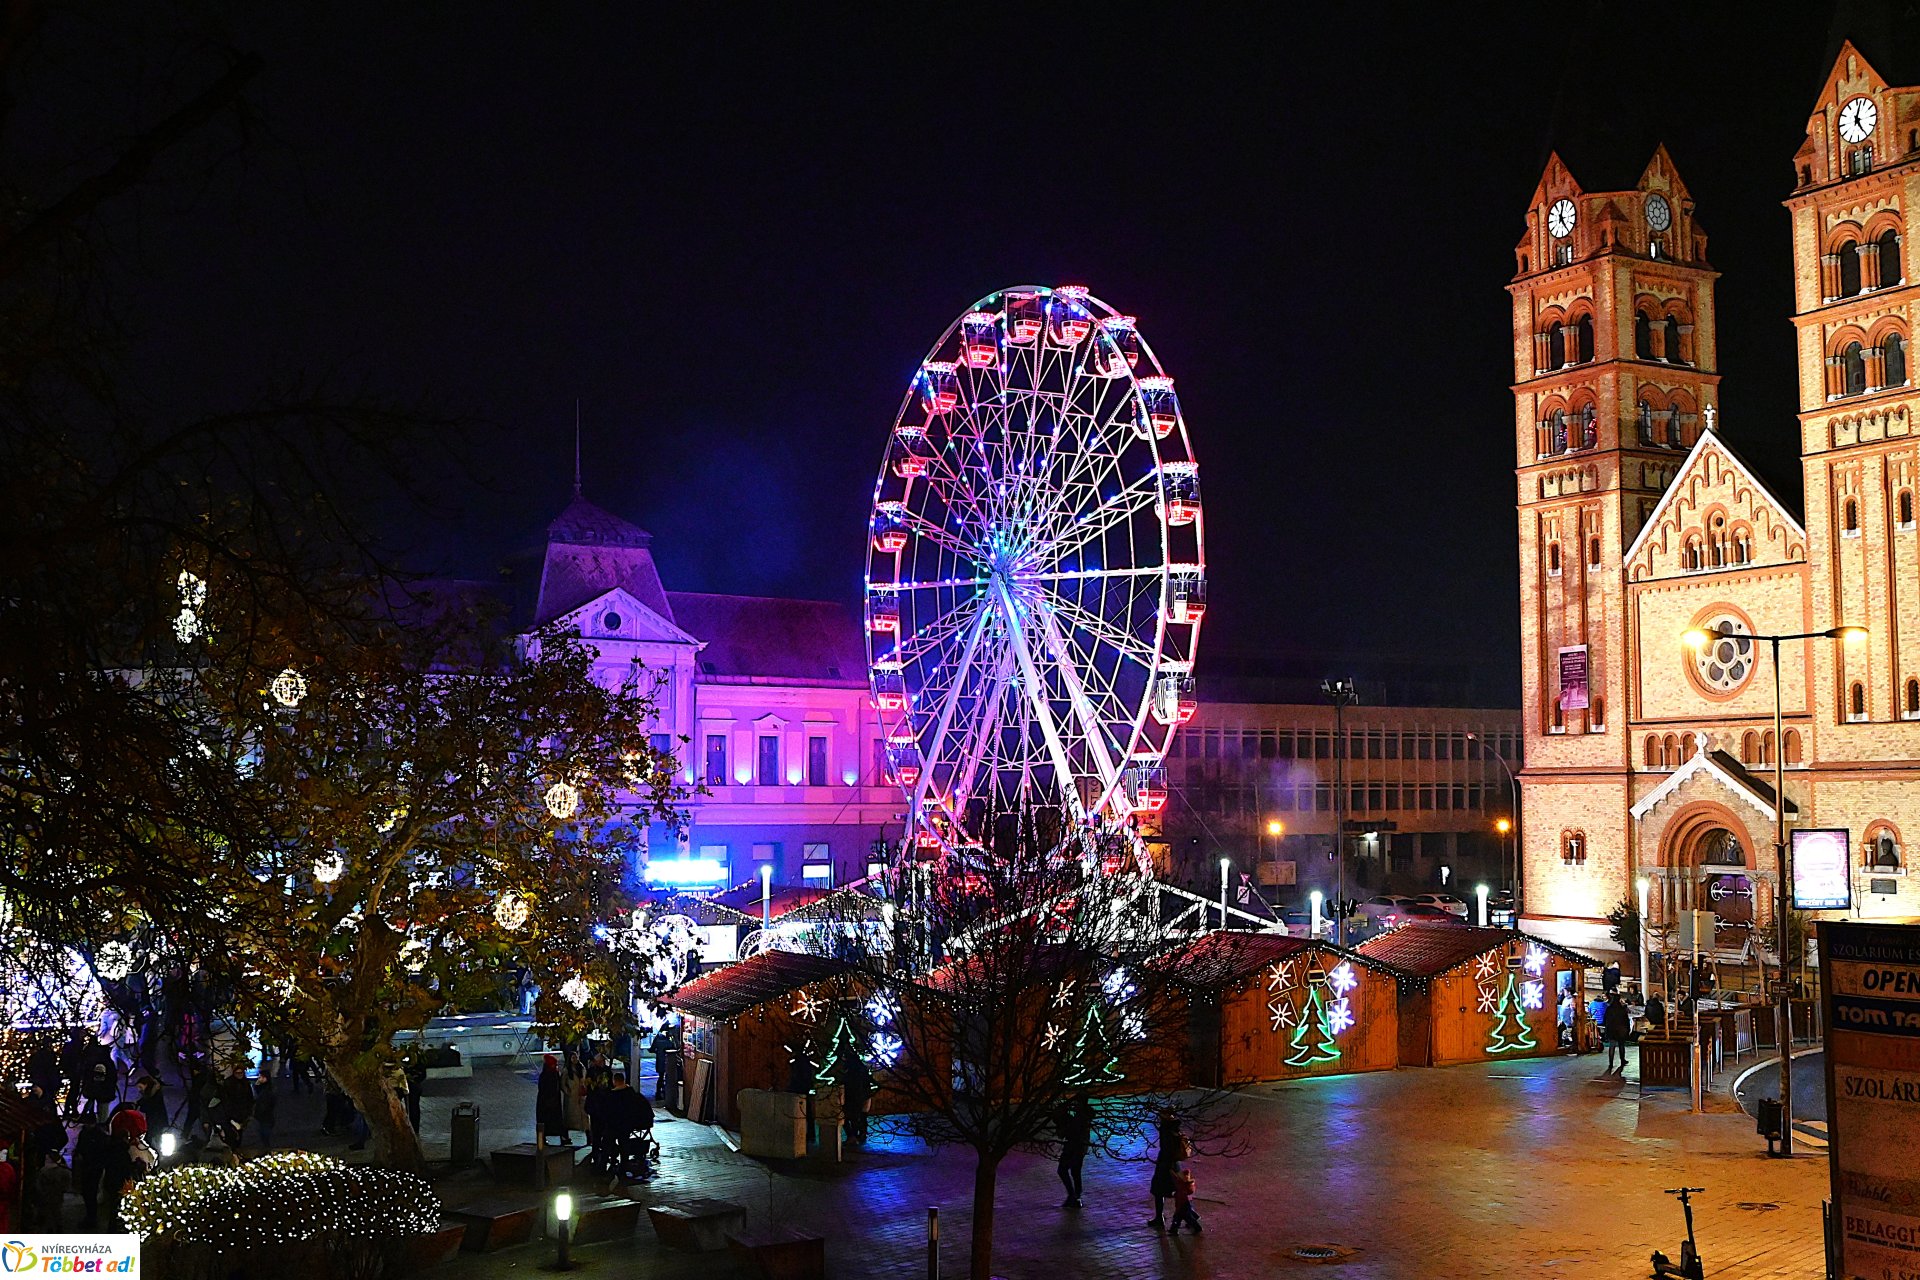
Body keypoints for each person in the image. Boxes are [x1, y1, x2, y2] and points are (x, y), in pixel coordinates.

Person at [1147, 1109, 1184, 1232]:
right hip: (1173, 1165)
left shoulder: (1166, 1130)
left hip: (1165, 1165)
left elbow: (1166, 1149)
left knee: (1159, 1190)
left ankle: (1160, 1218)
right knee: (1177, 1190)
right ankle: (1188, 1215)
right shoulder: (1174, 1128)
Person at [1054, 1092, 1093, 1208]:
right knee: (1075, 1171)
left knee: (1064, 1170)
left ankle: (1073, 1196)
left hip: (1074, 1147)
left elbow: (1066, 1132)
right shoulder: (1083, 1115)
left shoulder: (1079, 1118)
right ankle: (1076, 1196)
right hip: (1079, 1147)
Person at [73, 1121, 112, 1230]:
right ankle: (91, 1217)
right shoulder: (90, 1134)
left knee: (90, 1193)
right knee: (88, 1193)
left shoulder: (97, 1135)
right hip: (89, 1167)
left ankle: (91, 1219)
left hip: (93, 1168)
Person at [29, 1149, 70, 1230]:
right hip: (56, 1196)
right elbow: (66, 1184)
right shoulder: (64, 1171)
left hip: (47, 1195)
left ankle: (51, 1227)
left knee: (49, 1212)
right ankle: (57, 1227)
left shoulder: (43, 1171)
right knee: (55, 1211)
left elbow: (39, 1184)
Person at [841, 1046, 872, 1148]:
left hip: (855, 1097)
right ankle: (860, 1136)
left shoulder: (851, 1072)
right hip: (863, 1096)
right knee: (861, 1117)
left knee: (850, 1118)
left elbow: (851, 1085)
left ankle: (853, 1137)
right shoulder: (862, 1069)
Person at [536, 1053, 567, 1145]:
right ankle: (543, 1138)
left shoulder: (552, 1073)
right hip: (547, 1101)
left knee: (554, 1120)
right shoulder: (547, 1075)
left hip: (551, 1101)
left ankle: (558, 1136)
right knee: (547, 1120)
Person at [1168, 1157, 1202, 1234]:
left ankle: (1196, 1227)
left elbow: (1175, 1178)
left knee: (1183, 1218)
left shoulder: (1181, 1189)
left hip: (1182, 1206)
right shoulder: (1185, 1187)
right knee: (1180, 1218)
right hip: (1185, 1205)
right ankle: (1174, 1229)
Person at [1603, 992, 1634, 1074]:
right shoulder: (1622, 1009)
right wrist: (1627, 1030)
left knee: (1612, 1046)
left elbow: (1605, 1020)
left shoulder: (1609, 1009)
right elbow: (1626, 1021)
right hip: (1621, 1030)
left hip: (1611, 1030)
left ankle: (1611, 1063)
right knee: (1621, 1045)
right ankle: (1622, 1060)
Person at [253, 1074, 277, 1151]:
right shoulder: (265, 1088)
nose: (259, 1078)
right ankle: (266, 1146)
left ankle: (267, 1147)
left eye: (261, 1077)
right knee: (263, 1131)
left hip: (265, 1114)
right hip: (264, 1114)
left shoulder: (267, 1091)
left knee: (264, 1131)